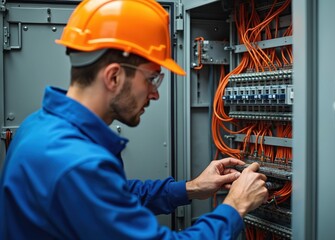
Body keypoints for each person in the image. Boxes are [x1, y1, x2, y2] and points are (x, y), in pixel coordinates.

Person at [0, 0, 268, 239]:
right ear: (114, 76)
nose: (155, 94)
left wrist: (191, 188)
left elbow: (114, 197)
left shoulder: (39, 126)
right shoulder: (77, 163)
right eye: (151, 78)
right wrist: (235, 206)